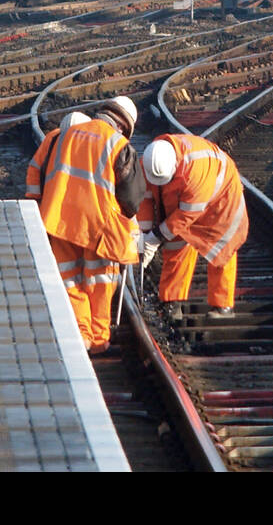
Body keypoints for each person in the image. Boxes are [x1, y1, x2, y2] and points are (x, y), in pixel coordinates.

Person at [36, 96, 145, 354]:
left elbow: (43, 175)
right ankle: (98, 339)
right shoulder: (118, 145)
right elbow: (132, 199)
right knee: (100, 279)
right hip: (98, 227)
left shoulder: (63, 135)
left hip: (59, 220)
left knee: (70, 280)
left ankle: (81, 334)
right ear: (123, 126)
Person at [138, 133, 249, 320]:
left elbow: (186, 216)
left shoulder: (196, 171)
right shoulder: (151, 160)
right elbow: (145, 199)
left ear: (175, 167)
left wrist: (155, 236)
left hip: (220, 200)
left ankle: (222, 305)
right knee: (175, 243)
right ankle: (171, 302)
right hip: (185, 199)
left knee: (222, 246)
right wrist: (143, 235)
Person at [24, 110, 87, 204]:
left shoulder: (53, 138)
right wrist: (34, 199)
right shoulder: (52, 139)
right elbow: (35, 167)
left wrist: (35, 199)